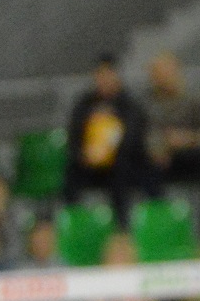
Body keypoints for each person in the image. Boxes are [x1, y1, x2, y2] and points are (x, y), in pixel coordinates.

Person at [143, 52, 200, 235]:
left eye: (166, 72)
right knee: (147, 166)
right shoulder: (147, 103)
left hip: (195, 152)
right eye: (158, 74)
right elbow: (146, 134)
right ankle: (164, 225)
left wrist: (191, 139)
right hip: (165, 156)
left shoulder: (199, 97)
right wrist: (161, 146)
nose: (163, 78)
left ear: (177, 71)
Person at [63, 56, 152, 226]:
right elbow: (74, 135)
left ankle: (122, 225)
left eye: (108, 75)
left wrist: (109, 152)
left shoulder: (129, 104)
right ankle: (74, 223)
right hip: (89, 162)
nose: (104, 80)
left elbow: (133, 137)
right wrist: (84, 155)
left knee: (123, 170)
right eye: (100, 75)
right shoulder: (84, 104)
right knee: (71, 172)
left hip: (118, 161)